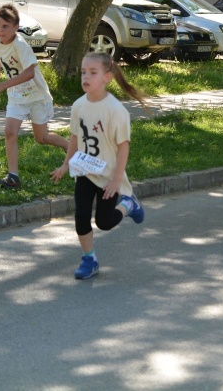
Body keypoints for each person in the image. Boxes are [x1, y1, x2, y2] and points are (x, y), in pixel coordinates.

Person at [50, 52, 148, 278]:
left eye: (93, 73)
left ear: (107, 77)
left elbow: (123, 147)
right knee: (81, 218)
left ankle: (129, 205)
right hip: (85, 172)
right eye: (83, 72)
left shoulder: (116, 110)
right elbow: (75, 137)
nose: (86, 77)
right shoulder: (78, 105)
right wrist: (65, 165)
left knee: (104, 222)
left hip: (108, 177)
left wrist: (116, 181)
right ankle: (89, 259)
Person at [0, 3, 68, 189]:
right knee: (10, 132)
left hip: (36, 96)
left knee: (42, 138)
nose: (0, 31)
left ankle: (69, 146)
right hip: (16, 97)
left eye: (5, 26)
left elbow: (29, 73)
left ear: (16, 27)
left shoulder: (21, 45)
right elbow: (0, 56)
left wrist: (1, 86)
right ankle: (13, 177)